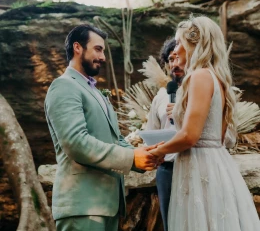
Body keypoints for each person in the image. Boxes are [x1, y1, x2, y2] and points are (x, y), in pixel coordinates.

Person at [44, 24, 160, 231]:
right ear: (78, 48)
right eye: (98, 49)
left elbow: (115, 140)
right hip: (82, 206)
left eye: (103, 51)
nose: (103, 57)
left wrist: (142, 156)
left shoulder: (96, 93)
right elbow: (76, 143)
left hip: (107, 206)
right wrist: (131, 158)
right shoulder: (64, 86)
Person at [150, 16, 260, 230]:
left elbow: (190, 136)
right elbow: (218, 137)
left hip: (198, 168)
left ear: (194, 44)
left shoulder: (199, 76)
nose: (175, 50)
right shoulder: (217, 78)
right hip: (217, 164)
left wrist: (157, 152)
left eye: (179, 42)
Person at [145, 38, 184, 231]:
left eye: (178, 57)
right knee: (171, 224)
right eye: (170, 59)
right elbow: (151, 130)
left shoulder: (202, 90)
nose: (174, 64)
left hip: (195, 164)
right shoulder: (161, 96)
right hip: (166, 170)